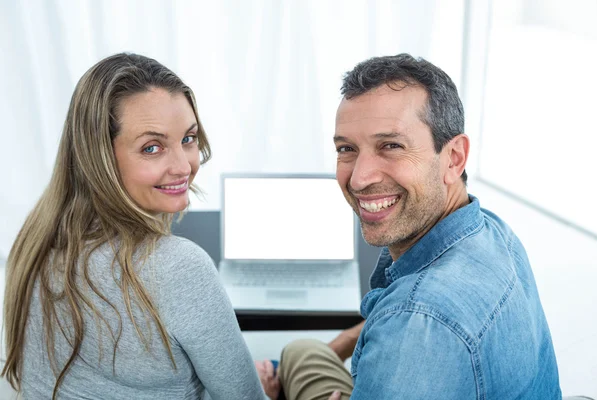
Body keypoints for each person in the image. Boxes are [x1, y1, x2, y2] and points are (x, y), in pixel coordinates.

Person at [257, 53, 562, 399]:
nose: (358, 179)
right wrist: (342, 344)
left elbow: (420, 321)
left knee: (295, 358)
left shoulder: (414, 327)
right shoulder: (492, 232)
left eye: (391, 146)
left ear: (453, 157)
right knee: (302, 351)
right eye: (347, 149)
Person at [1, 53, 268, 399]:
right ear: (100, 158)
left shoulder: (36, 239)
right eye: (152, 147)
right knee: (297, 358)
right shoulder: (178, 266)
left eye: (188, 139)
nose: (183, 166)